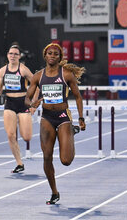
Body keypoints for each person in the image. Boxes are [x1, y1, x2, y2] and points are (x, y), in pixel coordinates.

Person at [25, 43, 86, 205]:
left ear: (60, 58)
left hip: (63, 116)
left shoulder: (66, 75)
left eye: (56, 54)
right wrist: (32, 103)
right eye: (50, 53)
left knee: (66, 161)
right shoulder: (38, 76)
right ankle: (54, 192)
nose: (52, 56)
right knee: (46, 157)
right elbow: (27, 97)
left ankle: (71, 132)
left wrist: (81, 118)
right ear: (45, 55)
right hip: (47, 117)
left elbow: (78, 97)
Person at [0, 45, 37, 173]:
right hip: (10, 103)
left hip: (23, 103)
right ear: (7, 55)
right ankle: (19, 163)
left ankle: (22, 122)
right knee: (11, 135)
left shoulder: (23, 70)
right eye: (11, 53)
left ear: (19, 56)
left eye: (16, 54)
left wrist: (34, 102)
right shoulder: (3, 70)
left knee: (27, 137)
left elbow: (36, 84)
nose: (13, 56)